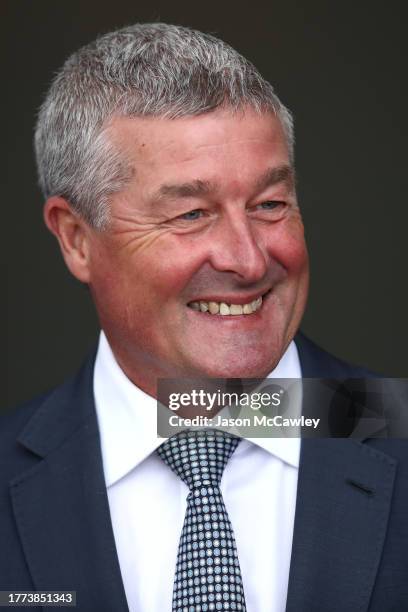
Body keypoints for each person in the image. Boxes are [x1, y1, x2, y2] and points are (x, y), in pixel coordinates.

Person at [1, 23, 407, 612]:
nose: (247, 260)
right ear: (75, 239)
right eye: (191, 214)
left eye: (270, 205)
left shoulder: (389, 431)